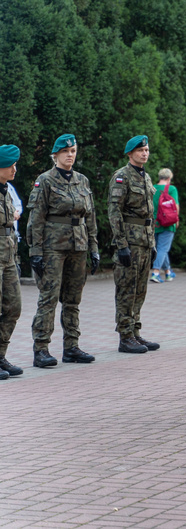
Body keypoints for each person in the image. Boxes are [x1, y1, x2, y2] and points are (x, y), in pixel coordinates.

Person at [26, 133, 99, 368]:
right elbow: (36, 218)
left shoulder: (82, 180)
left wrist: (94, 248)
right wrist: (35, 251)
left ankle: (72, 347)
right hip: (53, 247)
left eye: (73, 151)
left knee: (73, 299)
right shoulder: (45, 180)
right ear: (55, 155)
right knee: (48, 298)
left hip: (79, 245)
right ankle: (41, 349)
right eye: (65, 151)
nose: (70, 155)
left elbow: (90, 218)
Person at [108, 135, 160, 354]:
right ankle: (125, 336)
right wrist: (121, 245)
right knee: (126, 289)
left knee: (140, 289)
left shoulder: (146, 177)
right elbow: (114, 212)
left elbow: (149, 213)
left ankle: (135, 332)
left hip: (145, 240)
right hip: (130, 241)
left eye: (146, 150)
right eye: (140, 150)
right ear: (130, 154)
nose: (145, 153)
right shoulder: (122, 177)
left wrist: (152, 243)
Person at [0, 144, 23, 379]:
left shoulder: (7, 191)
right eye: (10, 165)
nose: (14, 170)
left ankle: (1, 355)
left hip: (8, 255)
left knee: (13, 307)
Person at [151, 168, 179, 283]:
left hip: (155, 223)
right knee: (163, 249)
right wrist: (177, 219)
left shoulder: (153, 188)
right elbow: (175, 206)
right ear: (169, 178)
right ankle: (155, 273)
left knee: (161, 248)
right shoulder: (171, 189)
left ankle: (168, 272)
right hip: (168, 222)